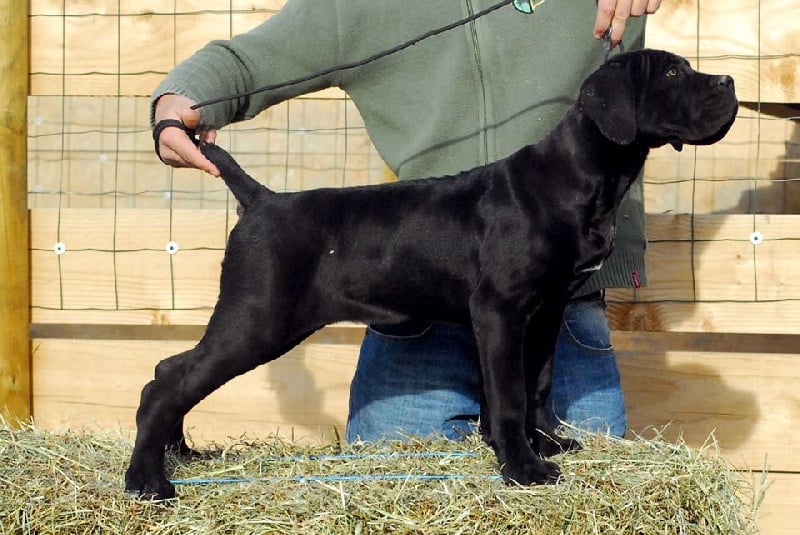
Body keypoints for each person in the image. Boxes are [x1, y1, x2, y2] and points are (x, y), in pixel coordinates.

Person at [152, 0, 661, 442]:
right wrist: (178, 101)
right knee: (406, 500)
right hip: (417, 316)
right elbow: (248, 60)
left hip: (560, 317)